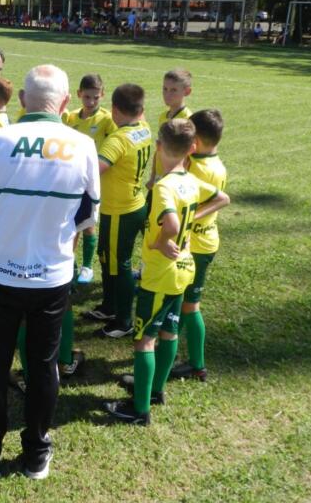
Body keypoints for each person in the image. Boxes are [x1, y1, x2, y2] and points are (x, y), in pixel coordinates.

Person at [0, 65, 100, 481]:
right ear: (66, 102)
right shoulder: (83, 145)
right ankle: (37, 454)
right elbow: (87, 217)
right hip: (51, 277)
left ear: (21, 99)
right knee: (42, 366)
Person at [104, 119, 229, 425]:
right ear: (190, 149)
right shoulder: (189, 179)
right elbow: (222, 198)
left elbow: (171, 224)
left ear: (159, 147)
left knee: (144, 340)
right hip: (184, 269)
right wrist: (188, 226)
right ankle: (156, 390)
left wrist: (163, 241)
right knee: (169, 331)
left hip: (161, 273)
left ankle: (139, 409)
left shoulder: (163, 187)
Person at [169, 109, 227, 381]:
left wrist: (189, 218)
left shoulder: (199, 169)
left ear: (197, 142)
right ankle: (170, 350)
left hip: (198, 245)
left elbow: (208, 201)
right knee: (184, 302)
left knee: (190, 305)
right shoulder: (216, 163)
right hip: (206, 239)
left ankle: (196, 364)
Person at [90, 85, 152, 339]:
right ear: (141, 109)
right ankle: (109, 306)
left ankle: (124, 321)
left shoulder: (118, 139)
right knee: (107, 258)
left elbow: (95, 168)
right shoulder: (144, 128)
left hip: (120, 211)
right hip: (133, 204)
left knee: (120, 265)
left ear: (115, 110)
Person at [62, 73, 116, 285]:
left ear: (102, 95)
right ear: (78, 95)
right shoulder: (71, 118)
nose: (91, 102)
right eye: (87, 97)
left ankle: (87, 266)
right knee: (72, 222)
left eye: (96, 97)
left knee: (89, 222)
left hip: (94, 178)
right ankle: (70, 264)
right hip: (73, 178)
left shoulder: (107, 119)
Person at [148, 69, 193, 188]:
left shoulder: (188, 120)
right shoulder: (163, 117)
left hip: (174, 180)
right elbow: (159, 149)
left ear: (187, 91)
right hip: (159, 177)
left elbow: (190, 156)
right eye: (165, 89)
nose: (167, 94)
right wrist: (153, 176)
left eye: (174, 90)